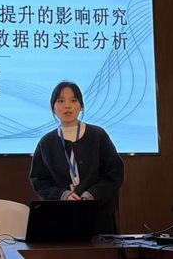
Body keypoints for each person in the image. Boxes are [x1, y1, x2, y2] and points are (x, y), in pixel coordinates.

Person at [29, 81, 124, 234]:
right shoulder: (46, 142)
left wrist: (92, 194)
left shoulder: (98, 135)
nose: (67, 106)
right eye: (61, 101)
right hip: (61, 217)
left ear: (81, 105)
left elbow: (115, 173)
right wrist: (63, 195)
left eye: (73, 100)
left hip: (98, 216)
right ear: (53, 107)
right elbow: (39, 181)